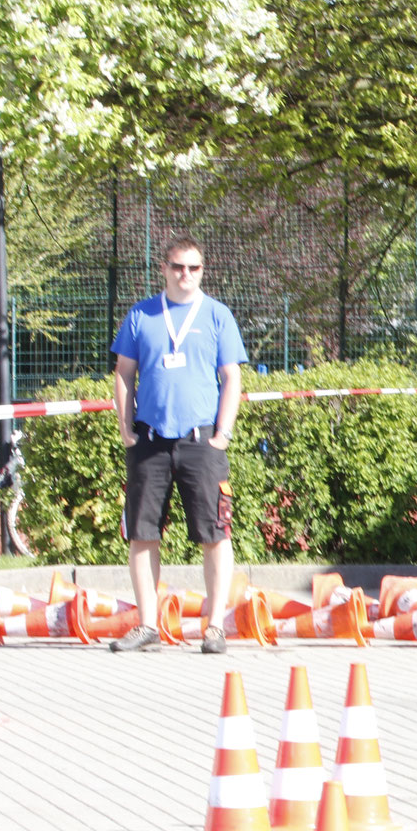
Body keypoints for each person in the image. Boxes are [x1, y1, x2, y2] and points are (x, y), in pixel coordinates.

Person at [109, 236, 246, 654]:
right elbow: (122, 373)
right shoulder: (141, 315)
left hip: (200, 443)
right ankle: (147, 624)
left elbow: (232, 378)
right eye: (177, 267)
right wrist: (125, 429)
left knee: (215, 533)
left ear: (203, 271)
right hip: (149, 440)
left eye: (193, 268)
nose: (185, 274)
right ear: (164, 269)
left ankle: (214, 628)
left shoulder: (218, 316)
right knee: (142, 534)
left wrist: (222, 433)